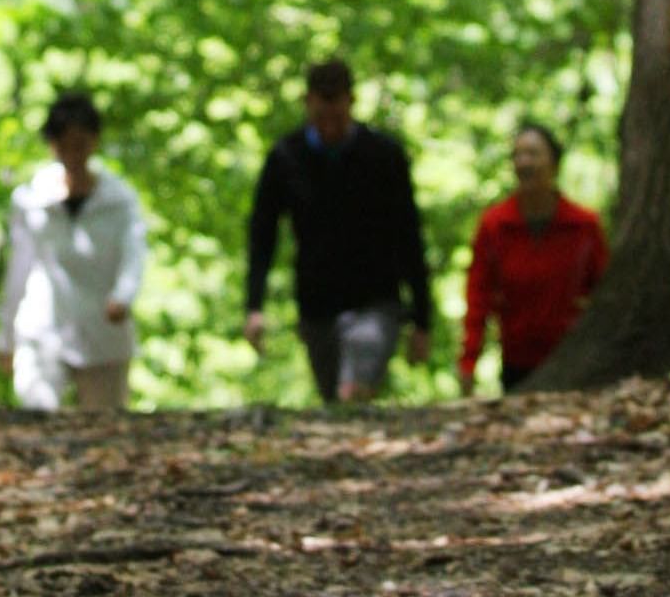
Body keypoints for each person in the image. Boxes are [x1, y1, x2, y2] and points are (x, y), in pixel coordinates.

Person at [244, 58, 433, 404]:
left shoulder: (384, 156)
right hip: (317, 305)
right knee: (334, 400)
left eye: (337, 112)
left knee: (354, 390)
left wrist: (422, 319)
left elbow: (409, 236)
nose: (329, 124)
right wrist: (254, 306)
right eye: (321, 113)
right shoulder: (286, 157)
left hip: (376, 300)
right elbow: (262, 235)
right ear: (308, 103)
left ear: (351, 102)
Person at [0, 93, 148, 412]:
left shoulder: (120, 201)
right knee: (37, 418)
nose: (72, 154)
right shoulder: (31, 201)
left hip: (104, 335)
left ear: (94, 142)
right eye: (63, 144)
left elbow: (134, 254)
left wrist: (123, 295)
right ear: (52, 145)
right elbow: (18, 271)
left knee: (105, 427)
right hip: (43, 333)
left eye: (80, 143)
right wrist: (6, 338)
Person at [458, 121, 609, 395]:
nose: (524, 162)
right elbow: (478, 297)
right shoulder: (495, 225)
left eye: (533, 153)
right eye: (518, 155)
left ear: (554, 163)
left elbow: (606, 293)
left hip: (571, 360)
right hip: (517, 362)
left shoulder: (583, 226)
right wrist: (469, 362)